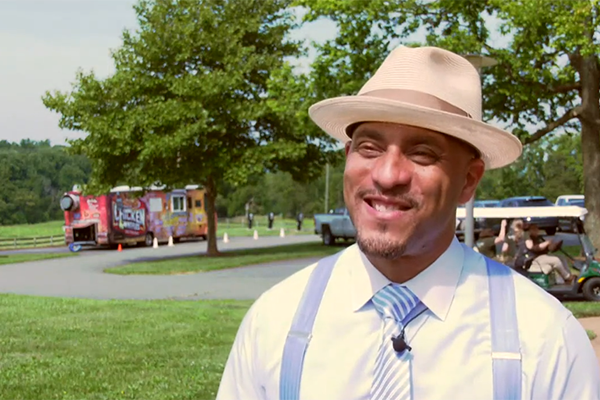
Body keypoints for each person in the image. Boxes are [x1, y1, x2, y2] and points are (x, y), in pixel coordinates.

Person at [216, 46, 599, 399]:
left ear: (468, 180)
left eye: (422, 153)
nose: (387, 175)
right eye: (370, 147)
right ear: (348, 156)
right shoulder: (274, 323)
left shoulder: (544, 339)